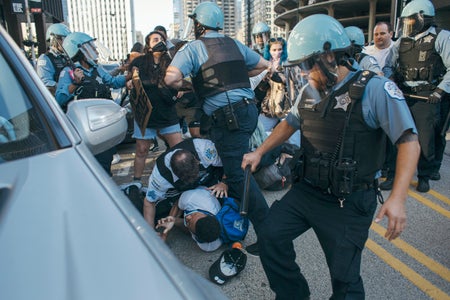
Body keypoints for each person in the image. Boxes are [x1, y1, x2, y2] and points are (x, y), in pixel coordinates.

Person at [241, 14, 420, 299]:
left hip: (348, 201)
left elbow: (409, 141)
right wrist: (259, 152)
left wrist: (398, 198)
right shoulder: (310, 91)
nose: (303, 74)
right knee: (271, 235)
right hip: (308, 191)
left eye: (306, 66)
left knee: (344, 278)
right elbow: (290, 122)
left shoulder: (374, 89)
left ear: (327, 55)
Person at [164, 1, 272, 255]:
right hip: (246, 111)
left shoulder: (193, 48)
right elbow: (263, 64)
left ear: (199, 25)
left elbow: (170, 78)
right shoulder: (233, 44)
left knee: (237, 176)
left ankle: (270, 234)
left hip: (229, 117)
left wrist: (194, 85)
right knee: (241, 165)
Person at [383, 0, 450, 193]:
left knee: (426, 139)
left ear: (422, 18)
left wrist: (439, 91)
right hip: (403, 94)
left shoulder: (441, 37)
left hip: (427, 96)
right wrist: (392, 80)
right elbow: (389, 66)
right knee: (397, 137)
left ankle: (424, 176)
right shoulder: (401, 41)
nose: (408, 26)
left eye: (411, 21)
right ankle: (393, 175)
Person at [56, 32, 128, 175]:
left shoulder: (97, 69)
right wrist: (75, 84)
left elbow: (112, 82)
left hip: (102, 127)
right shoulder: (68, 72)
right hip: (83, 131)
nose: (95, 51)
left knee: (105, 167)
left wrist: (129, 75)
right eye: (91, 48)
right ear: (80, 51)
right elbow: (59, 98)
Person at [126, 30, 183, 187]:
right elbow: (131, 80)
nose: (160, 41)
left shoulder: (172, 62)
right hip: (145, 115)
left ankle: (180, 179)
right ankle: (137, 182)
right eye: (155, 39)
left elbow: (182, 80)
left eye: (162, 39)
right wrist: (130, 82)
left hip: (167, 113)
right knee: (142, 150)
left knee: (178, 150)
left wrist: (181, 88)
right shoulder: (139, 62)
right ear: (149, 46)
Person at [143, 138, 227, 230]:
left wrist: (224, 182)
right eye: (188, 178)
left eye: (195, 174)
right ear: (174, 173)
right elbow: (149, 202)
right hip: (181, 192)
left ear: (197, 160)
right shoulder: (160, 176)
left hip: (211, 180)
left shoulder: (203, 149)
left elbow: (229, 161)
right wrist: (150, 234)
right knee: (160, 214)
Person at [362, 21, 397, 189]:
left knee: (392, 139)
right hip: (370, 99)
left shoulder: (396, 49)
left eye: (382, 33)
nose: (379, 37)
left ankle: (391, 173)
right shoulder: (367, 52)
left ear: (391, 33)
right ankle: (380, 167)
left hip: (390, 96)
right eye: (376, 34)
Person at [156, 187, 223, 252]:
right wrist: (167, 230)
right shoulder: (190, 199)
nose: (188, 217)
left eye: (189, 223)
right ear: (208, 215)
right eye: (194, 214)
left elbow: (189, 231)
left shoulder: (208, 246)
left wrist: (175, 221)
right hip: (196, 191)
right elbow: (177, 204)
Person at [36, 23, 71, 95]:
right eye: (62, 39)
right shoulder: (45, 59)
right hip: (59, 99)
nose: (66, 42)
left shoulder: (67, 57)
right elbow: (47, 83)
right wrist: (68, 88)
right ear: (53, 40)